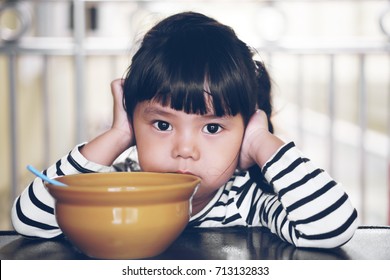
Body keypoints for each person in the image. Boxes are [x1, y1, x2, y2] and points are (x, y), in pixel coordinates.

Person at [11, 11, 358, 248]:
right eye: (162, 124)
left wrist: (261, 141)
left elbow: (333, 227)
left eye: (212, 127)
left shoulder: (246, 203)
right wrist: (117, 136)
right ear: (134, 122)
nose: (185, 150)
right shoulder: (120, 187)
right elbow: (29, 220)